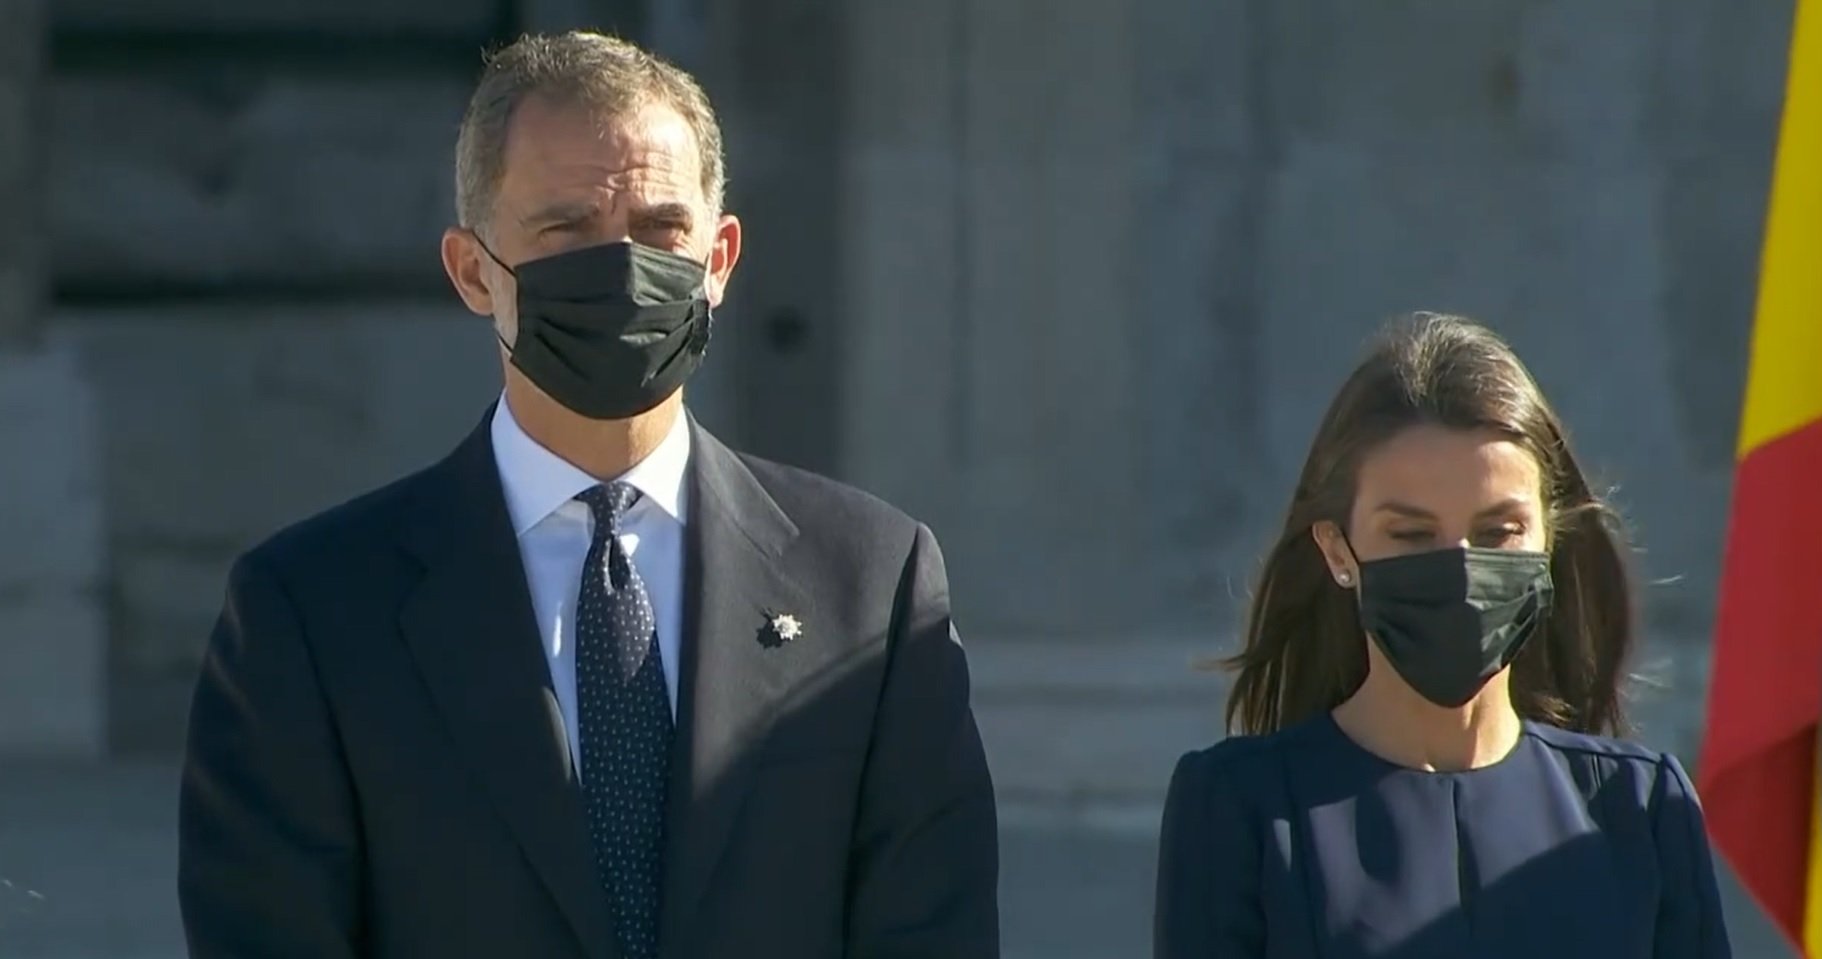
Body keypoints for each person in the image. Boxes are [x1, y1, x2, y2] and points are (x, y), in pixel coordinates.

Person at [177, 31, 999, 959]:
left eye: (660, 228)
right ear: (472, 270)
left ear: (719, 257)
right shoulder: (313, 610)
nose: (619, 267)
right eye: (564, 229)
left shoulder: (871, 583)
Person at [1153, 313, 1731, 958]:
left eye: (1498, 532)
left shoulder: (1640, 808)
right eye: (1410, 534)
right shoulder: (1245, 810)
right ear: (1338, 551)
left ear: (1549, 540)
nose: (1459, 569)